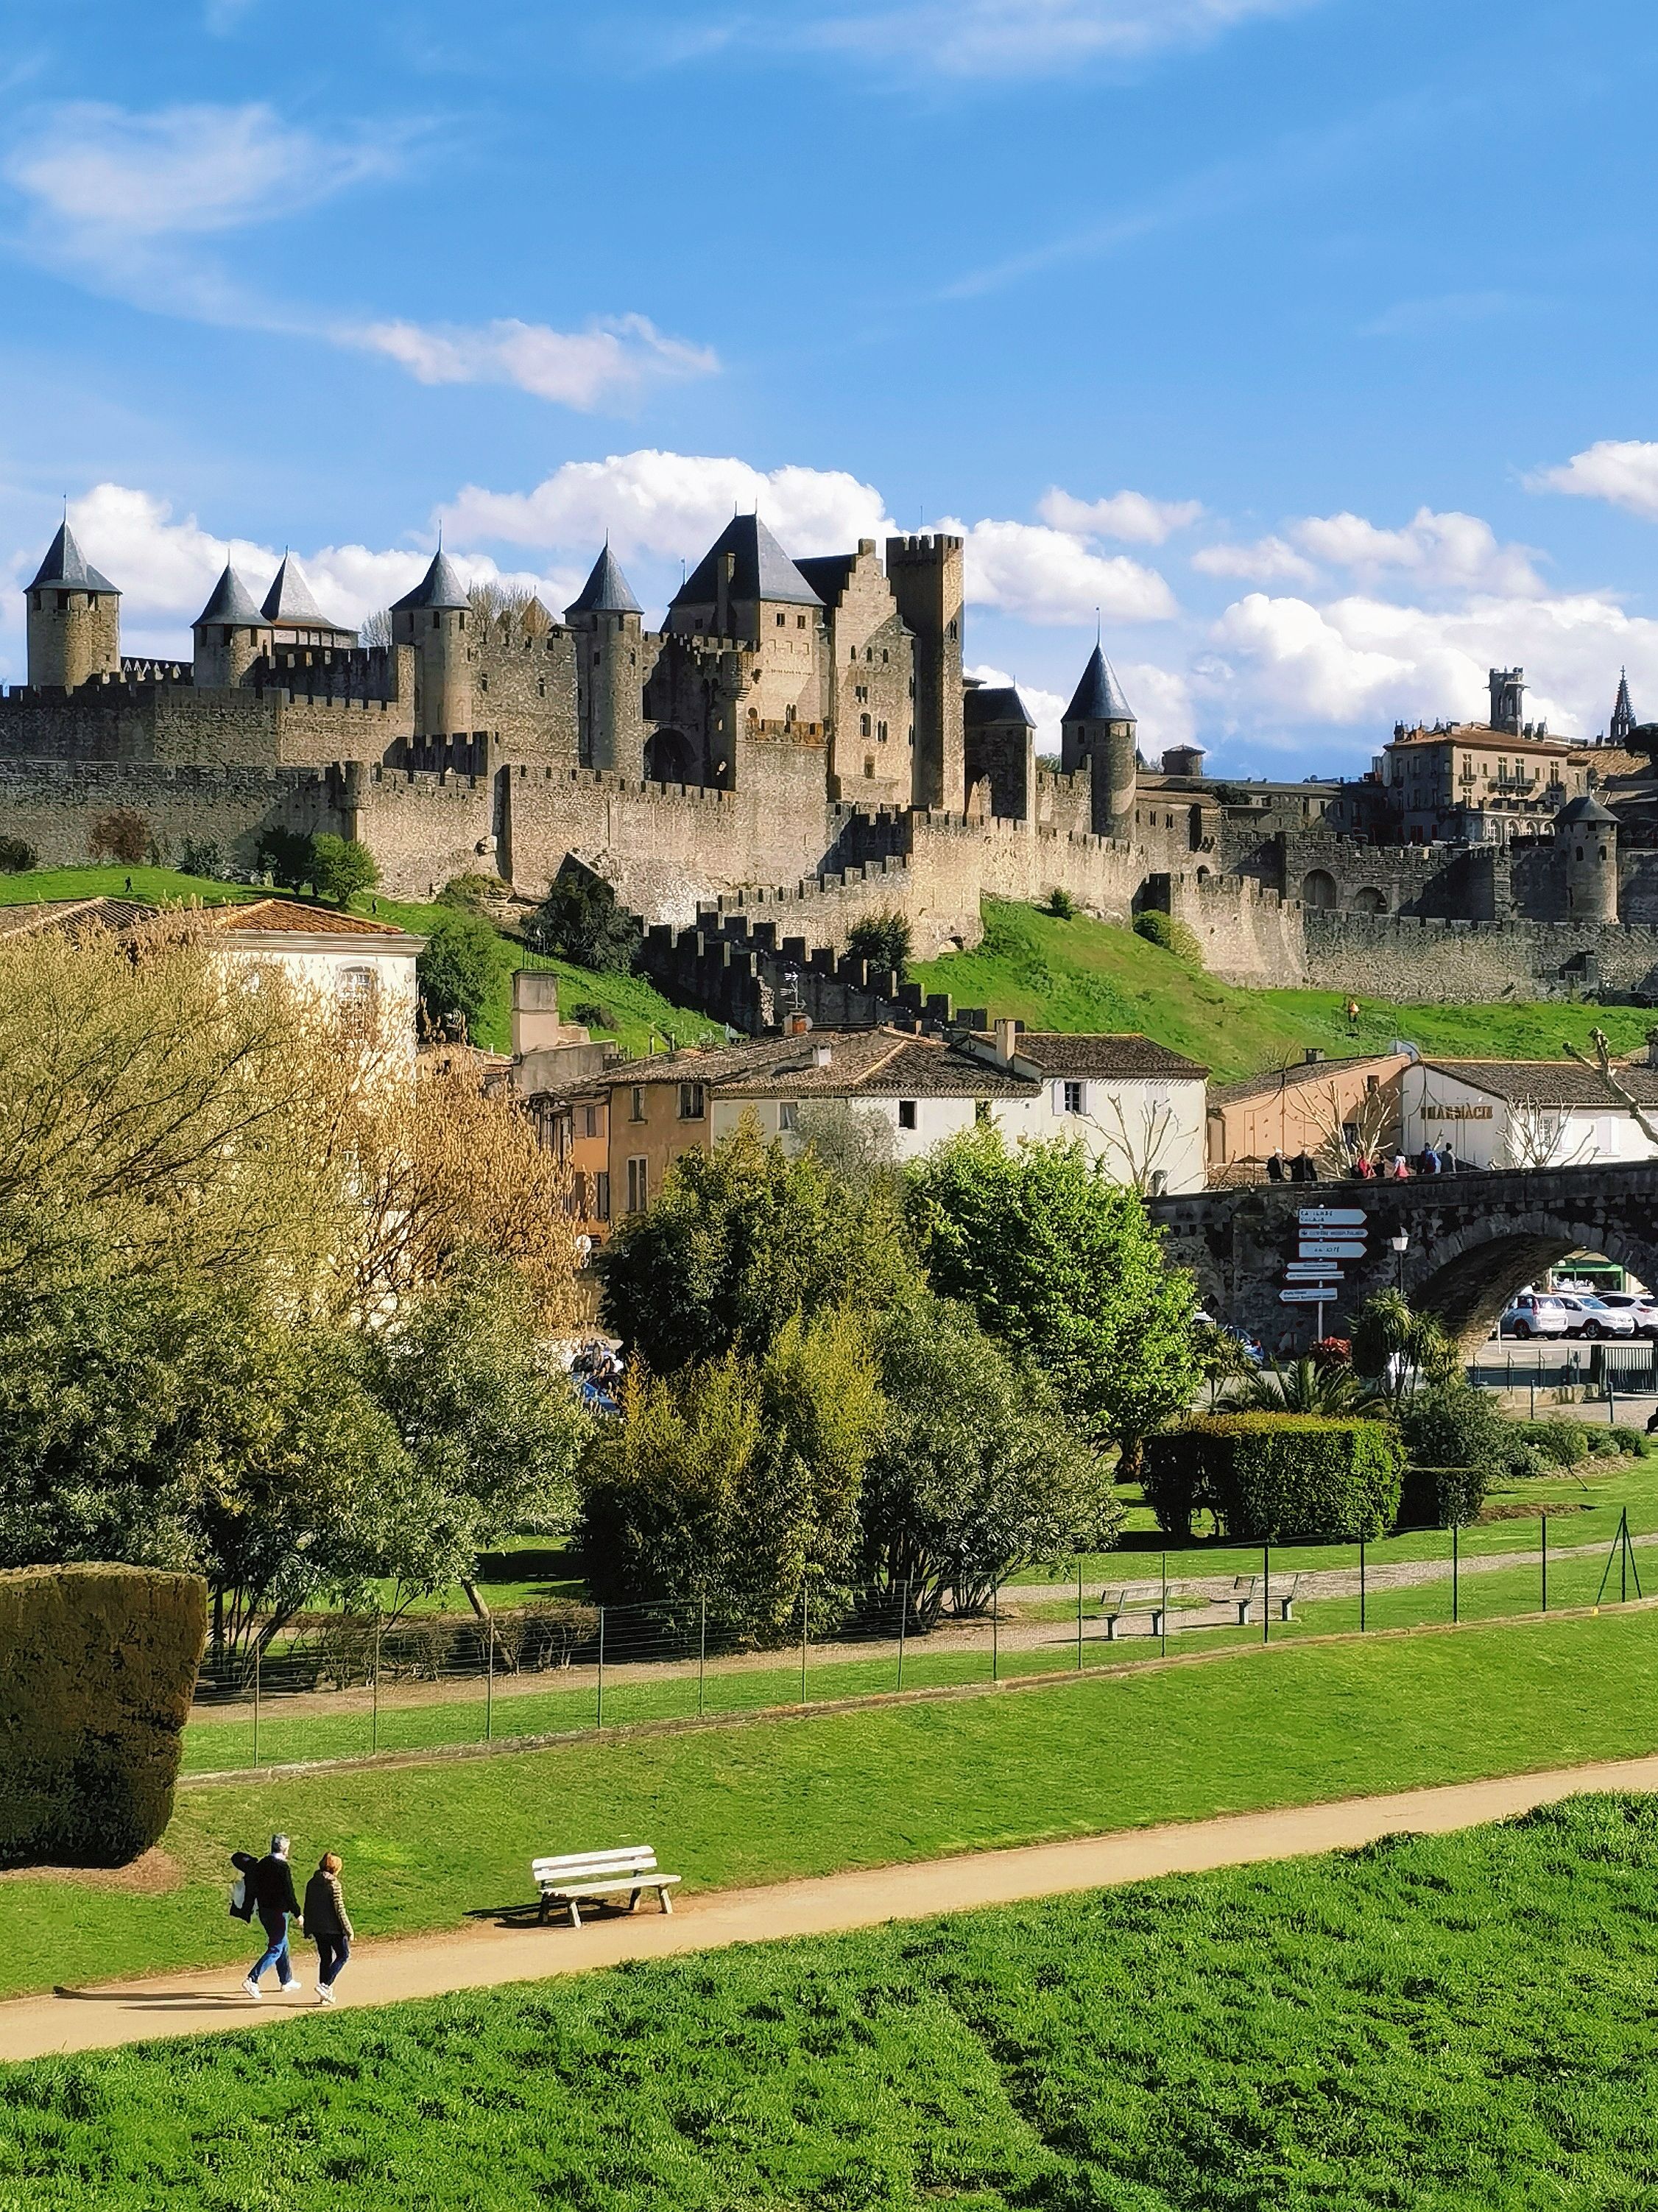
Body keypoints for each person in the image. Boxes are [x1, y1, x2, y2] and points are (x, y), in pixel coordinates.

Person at [237, 1834, 303, 2000]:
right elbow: (289, 1893)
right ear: (285, 1849)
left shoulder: (262, 1864)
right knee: (276, 1947)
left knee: (283, 1943)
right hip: (278, 1913)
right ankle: (252, 1979)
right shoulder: (282, 1868)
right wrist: (298, 1914)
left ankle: (286, 1980)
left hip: (264, 1912)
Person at [303, 1850, 355, 2005]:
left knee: (325, 1959)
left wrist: (307, 1928)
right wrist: (349, 1930)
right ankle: (325, 1986)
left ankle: (324, 1994)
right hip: (334, 1929)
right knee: (343, 1955)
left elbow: (308, 1907)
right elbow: (340, 1909)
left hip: (318, 1928)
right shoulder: (334, 1884)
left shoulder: (312, 1883)